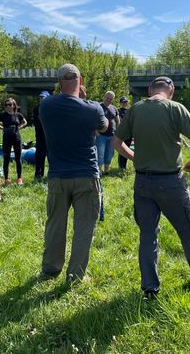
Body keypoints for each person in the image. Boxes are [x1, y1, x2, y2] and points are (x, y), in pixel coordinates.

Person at [113, 76, 190, 299]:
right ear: (172, 91)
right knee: (188, 231)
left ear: (150, 91)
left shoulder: (135, 110)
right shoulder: (175, 108)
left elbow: (116, 142)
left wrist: (134, 158)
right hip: (171, 182)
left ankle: (150, 287)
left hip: (142, 182)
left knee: (147, 235)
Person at [39, 63, 108, 283]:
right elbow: (104, 126)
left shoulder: (46, 105)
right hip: (86, 174)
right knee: (84, 228)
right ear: (81, 81)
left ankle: (50, 269)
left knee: (55, 225)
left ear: (59, 83)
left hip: (58, 175)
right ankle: (76, 275)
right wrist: (85, 100)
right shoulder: (93, 108)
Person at [0, 98, 27, 186]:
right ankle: (6, 179)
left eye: (10, 104)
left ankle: (19, 178)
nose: (8, 106)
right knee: (6, 159)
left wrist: (20, 127)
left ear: (14, 105)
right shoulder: (3, 115)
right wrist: (2, 128)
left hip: (17, 139)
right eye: (6, 105)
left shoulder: (18, 115)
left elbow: (25, 122)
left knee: (18, 158)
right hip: (6, 139)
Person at [96, 91, 120, 175]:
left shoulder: (114, 108)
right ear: (104, 97)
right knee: (100, 153)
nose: (109, 100)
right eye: (107, 98)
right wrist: (96, 132)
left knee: (109, 153)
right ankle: (99, 171)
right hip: (101, 135)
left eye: (111, 99)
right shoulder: (98, 107)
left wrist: (118, 132)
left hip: (112, 136)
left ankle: (106, 170)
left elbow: (118, 121)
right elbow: (92, 120)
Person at [33, 91, 50, 179]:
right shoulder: (36, 109)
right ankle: (38, 174)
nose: (41, 99)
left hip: (50, 136)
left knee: (52, 156)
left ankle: (52, 174)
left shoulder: (52, 108)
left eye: (43, 98)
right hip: (40, 136)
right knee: (39, 155)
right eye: (40, 98)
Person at [117, 96, 132, 170]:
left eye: (126, 102)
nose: (124, 103)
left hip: (129, 134)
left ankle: (124, 166)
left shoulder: (130, 111)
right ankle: (121, 166)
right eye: (123, 102)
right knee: (121, 150)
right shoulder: (118, 111)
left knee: (127, 149)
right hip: (121, 133)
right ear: (120, 103)